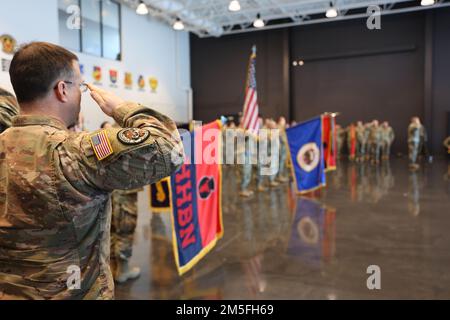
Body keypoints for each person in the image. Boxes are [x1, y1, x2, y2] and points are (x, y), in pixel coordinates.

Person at [0, 42, 184, 300]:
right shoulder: (75, 151)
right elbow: (170, 149)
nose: (82, 94)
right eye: (81, 86)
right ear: (62, 89)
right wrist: (121, 107)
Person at [110, 188, 142, 283]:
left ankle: (113, 267)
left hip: (109, 184)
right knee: (126, 227)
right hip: (124, 185)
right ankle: (123, 270)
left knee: (112, 226)